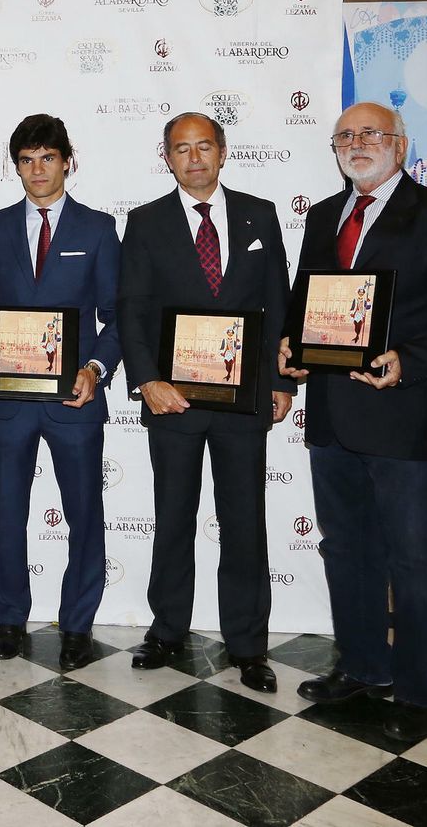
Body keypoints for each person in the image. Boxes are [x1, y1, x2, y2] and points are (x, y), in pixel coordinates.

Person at [280, 102, 427, 741]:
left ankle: (415, 690)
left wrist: (408, 360)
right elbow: (304, 303)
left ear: (399, 145)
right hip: (331, 418)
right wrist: (291, 345)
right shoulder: (323, 217)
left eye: (370, 133)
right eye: (345, 135)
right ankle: (364, 666)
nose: (357, 143)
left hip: (406, 417)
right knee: (346, 550)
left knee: (409, 558)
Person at [116, 112, 294, 692]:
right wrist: (146, 381)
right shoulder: (144, 223)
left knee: (245, 522)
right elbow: (131, 309)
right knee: (173, 519)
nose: (194, 158)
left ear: (222, 152)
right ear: (166, 157)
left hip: (244, 404)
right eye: (181, 149)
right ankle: (168, 631)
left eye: (204, 147)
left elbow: (279, 305)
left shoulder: (259, 214)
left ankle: (247, 645)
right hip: (174, 403)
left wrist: (282, 382)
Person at [0, 114, 118, 671]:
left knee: (84, 513)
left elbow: (115, 316)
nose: (37, 170)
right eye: (26, 160)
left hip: (74, 398)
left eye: (47, 158)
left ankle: (77, 624)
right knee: (5, 511)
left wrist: (95, 368)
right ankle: (9, 618)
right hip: (8, 400)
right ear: (16, 166)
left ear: (67, 161)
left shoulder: (97, 228)